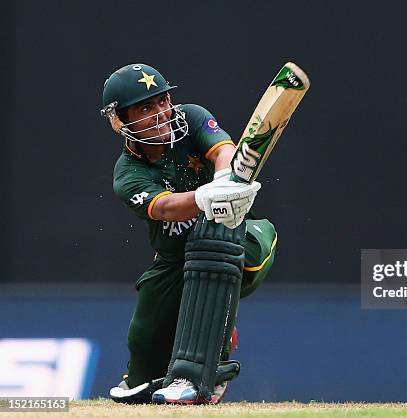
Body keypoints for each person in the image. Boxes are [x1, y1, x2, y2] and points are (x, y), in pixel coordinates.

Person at [100, 63, 277, 404]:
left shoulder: (192, 116)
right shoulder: (128, 174)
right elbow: (165, 208)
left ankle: (210, 361)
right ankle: (163, 373)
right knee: (141, 368)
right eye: (145, 108)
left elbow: (225, 150)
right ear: (119, 122)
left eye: (163, 101)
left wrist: (225, 179)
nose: (161, 113)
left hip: (244, 239)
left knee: (212, 247)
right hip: (175, 260)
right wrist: (202, 197)